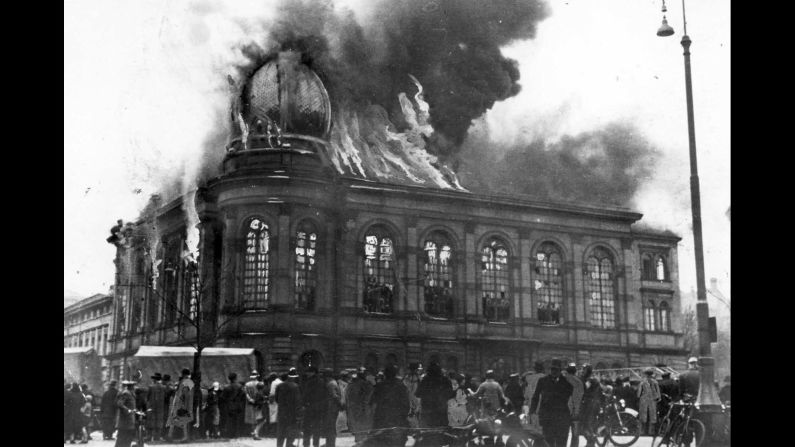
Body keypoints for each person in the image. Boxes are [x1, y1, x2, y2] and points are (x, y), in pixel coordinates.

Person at [529, 359, 574, 447]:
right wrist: (532, 411)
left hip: (562, 418)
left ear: (560, 370)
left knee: (561, 443)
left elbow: (574, 397)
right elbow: (535, 397)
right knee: (548, 442)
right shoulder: (543, 381)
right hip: (547, 418)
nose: (554, 371)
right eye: (552, 369)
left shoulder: (567, 382)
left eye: (556, 370)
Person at [369, 364, 411, 447]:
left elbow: (372, 403)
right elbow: (406, 404)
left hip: (382, 420)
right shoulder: (401, 385)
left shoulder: (380, 385)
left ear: (385, 374)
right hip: (397, 420)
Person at [415, 362, 455, 429]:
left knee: (426, 433)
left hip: (427, 411)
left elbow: (418, 394)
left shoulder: (425, 380)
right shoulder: (445, 380)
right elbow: (450, 394)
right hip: (441, 412)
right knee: (441, 432)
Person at [301, 366, 328, 447]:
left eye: (308, 372)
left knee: (307, 427)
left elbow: (306, 395)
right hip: (319, 408)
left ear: (313, 372)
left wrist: (303, 404)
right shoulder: (322, 381)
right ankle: (316, 444)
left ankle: (306, 444)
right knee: (317, 427)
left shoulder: (309, 382)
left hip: (309, 407)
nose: (307, 374)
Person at [346, 367, 374, 443]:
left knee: (358, 433)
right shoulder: (366, 384)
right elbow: (370, 398)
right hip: (363, 411)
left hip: (354, 411)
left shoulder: (351, 384)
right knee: (363, 433)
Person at [275, 369, 302, 447]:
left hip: (281, 412)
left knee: (281, 431)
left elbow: (276, 399)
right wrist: (299, 413)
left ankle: (279, 445)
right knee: (291, 431)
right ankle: (289, 445)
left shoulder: (279, 386)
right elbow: (297, 401)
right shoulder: (295, 386)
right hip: (291, 413)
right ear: (294, 377)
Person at [167, 368, 194, 443]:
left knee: (176, 420)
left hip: (180, 403)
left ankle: (170, 436)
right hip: (184, 404)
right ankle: (185, 437)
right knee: (183, 420)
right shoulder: (189, 382)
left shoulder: (183, 382)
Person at [579, 365, 602, 447]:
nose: (582, 371)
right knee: (591, 423)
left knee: (585, 424)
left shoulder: (590, 380)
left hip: (589, 404)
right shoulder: (595, 379)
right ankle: (590, 443)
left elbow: (584, 388)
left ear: (587, 371)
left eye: (583, 370)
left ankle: (591, 440)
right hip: (595, 403)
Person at [564, 363, 584, 447]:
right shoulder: (579, 381)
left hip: (564, 411)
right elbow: (579, 397)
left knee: (563, 434)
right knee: (575, 435)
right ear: (575, 371)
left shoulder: (562, 380)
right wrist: (576, 410)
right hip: (575, 411)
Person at [322, 368, 343, 447]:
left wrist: (339, 404)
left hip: (331, 408)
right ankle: (330, 443)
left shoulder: (331, 383)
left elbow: (334, 396)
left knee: (330, 427)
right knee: (330, 427)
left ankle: (330, 444)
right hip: (332, 408)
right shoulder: (332, 382)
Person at [637, 368, 661, 436]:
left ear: (645, 374)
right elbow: (658, 393)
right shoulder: (655, 382)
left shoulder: (642, 382)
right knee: (652, 416)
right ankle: (651, 431)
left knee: (643, 415)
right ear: (652, 374)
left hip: (643, 400)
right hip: (653, 400)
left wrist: (640, 397)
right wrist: (658, 398)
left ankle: (642, 431)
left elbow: (638, 394)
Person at [221, 372, 245, 438]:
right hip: (238, 405)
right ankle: (236, 434)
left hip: (229, 406)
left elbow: (222, 397)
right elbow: (243, 395)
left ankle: (230, 434)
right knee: (237, 420)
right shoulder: (240, 386)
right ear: (236, 378)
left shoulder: (226, 387)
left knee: (229, 420)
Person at [523, 361, 546, 431]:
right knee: (541, 425)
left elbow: (526, 393)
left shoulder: (529, 378)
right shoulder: (545, 377)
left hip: (532, 403)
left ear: (535, 369)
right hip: (542, 403)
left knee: (533, 423)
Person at [114, 381, 137, 447]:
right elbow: (120, 404)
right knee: (122, 438)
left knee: (127, 438)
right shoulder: (126, 393)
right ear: (131, 387)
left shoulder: (131, 393)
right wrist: (128, 410)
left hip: (129, 420)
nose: (134, 387)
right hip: (125, 420)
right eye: (133, 386)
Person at [146, 373, 166, 441]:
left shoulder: (151, 387)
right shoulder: (164, 387)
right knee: (159, 422)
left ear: (154, 380)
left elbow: (148, 398)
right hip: (161, 408)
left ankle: (149, 437)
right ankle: (157, 437)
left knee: (151, 421)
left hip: (152, 407)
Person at [402, 362, 422, 428]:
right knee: (415, 411)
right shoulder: (418, 377)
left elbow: (405, 385)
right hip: (415, 397)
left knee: (412, 411)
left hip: (412, 396)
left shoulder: (407, 377)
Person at [244, 371, 262, 439]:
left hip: (250, 403)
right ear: (257, 376)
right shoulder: (260, 383)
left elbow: (246, 394)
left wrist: (250, 399)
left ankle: (253, 432)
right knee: (257, 417)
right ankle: (256, 433)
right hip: (258, 403)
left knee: (252, 418)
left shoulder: (247, 384)